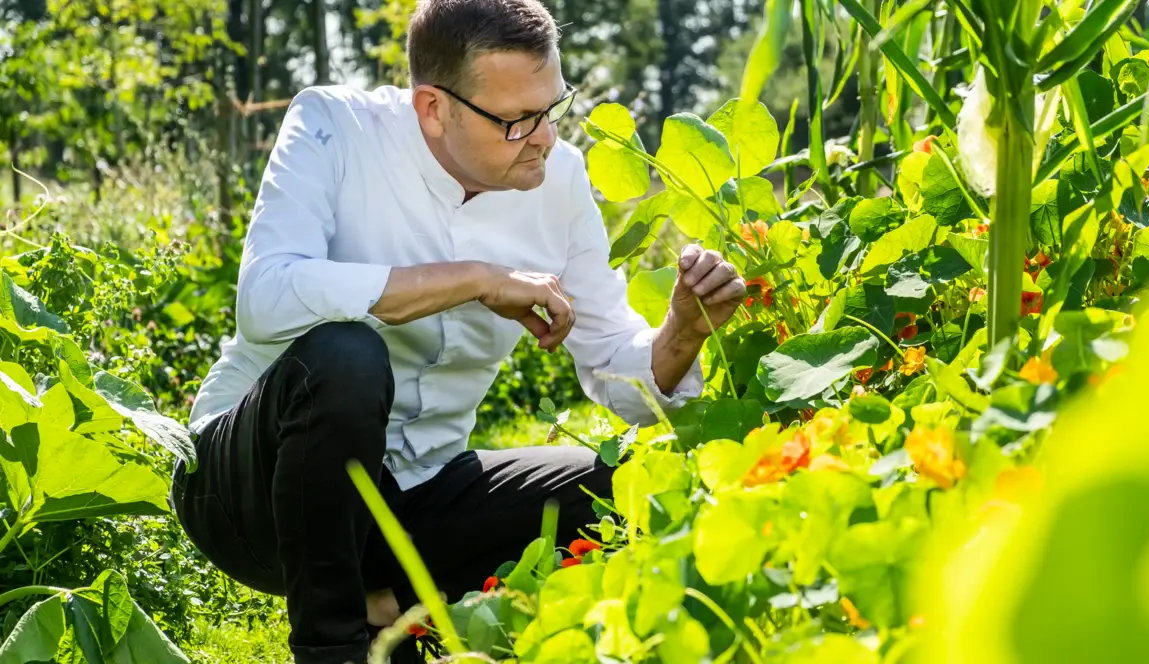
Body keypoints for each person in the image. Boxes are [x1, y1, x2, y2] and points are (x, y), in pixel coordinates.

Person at [168, 0, 746, 662]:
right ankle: (335, 648)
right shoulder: (337, 127)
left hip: (420, 494)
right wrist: (475, 277)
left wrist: (684, 328)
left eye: (552, 108)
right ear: (432, 109)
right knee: (345, 353)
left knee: (620, 488)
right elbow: (266, 298)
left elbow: (617, 364)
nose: (544, 137)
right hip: (251, 493)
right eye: (515, 121)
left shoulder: (559, 180)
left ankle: (392, 610)